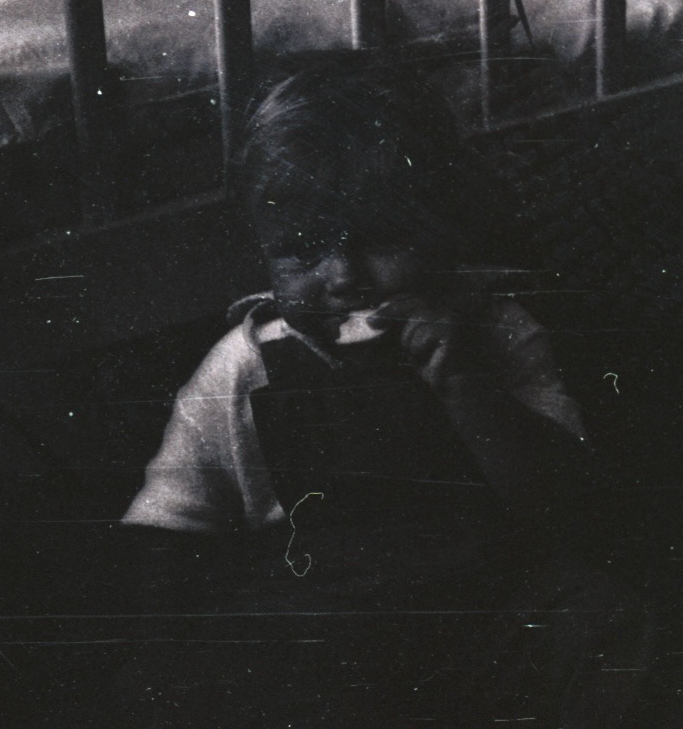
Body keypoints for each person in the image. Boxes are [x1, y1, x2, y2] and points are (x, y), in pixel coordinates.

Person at [115, 59, 653, 726]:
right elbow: (169, 524)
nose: (343, 277)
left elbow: (564, 500)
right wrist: (159, 660)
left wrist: (467, 388)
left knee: (604, 625)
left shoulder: (492, 333)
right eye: (303, 251)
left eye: (381, 239)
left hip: (486, 599)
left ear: (440, 226)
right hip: (322, 621)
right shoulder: (242, 367)